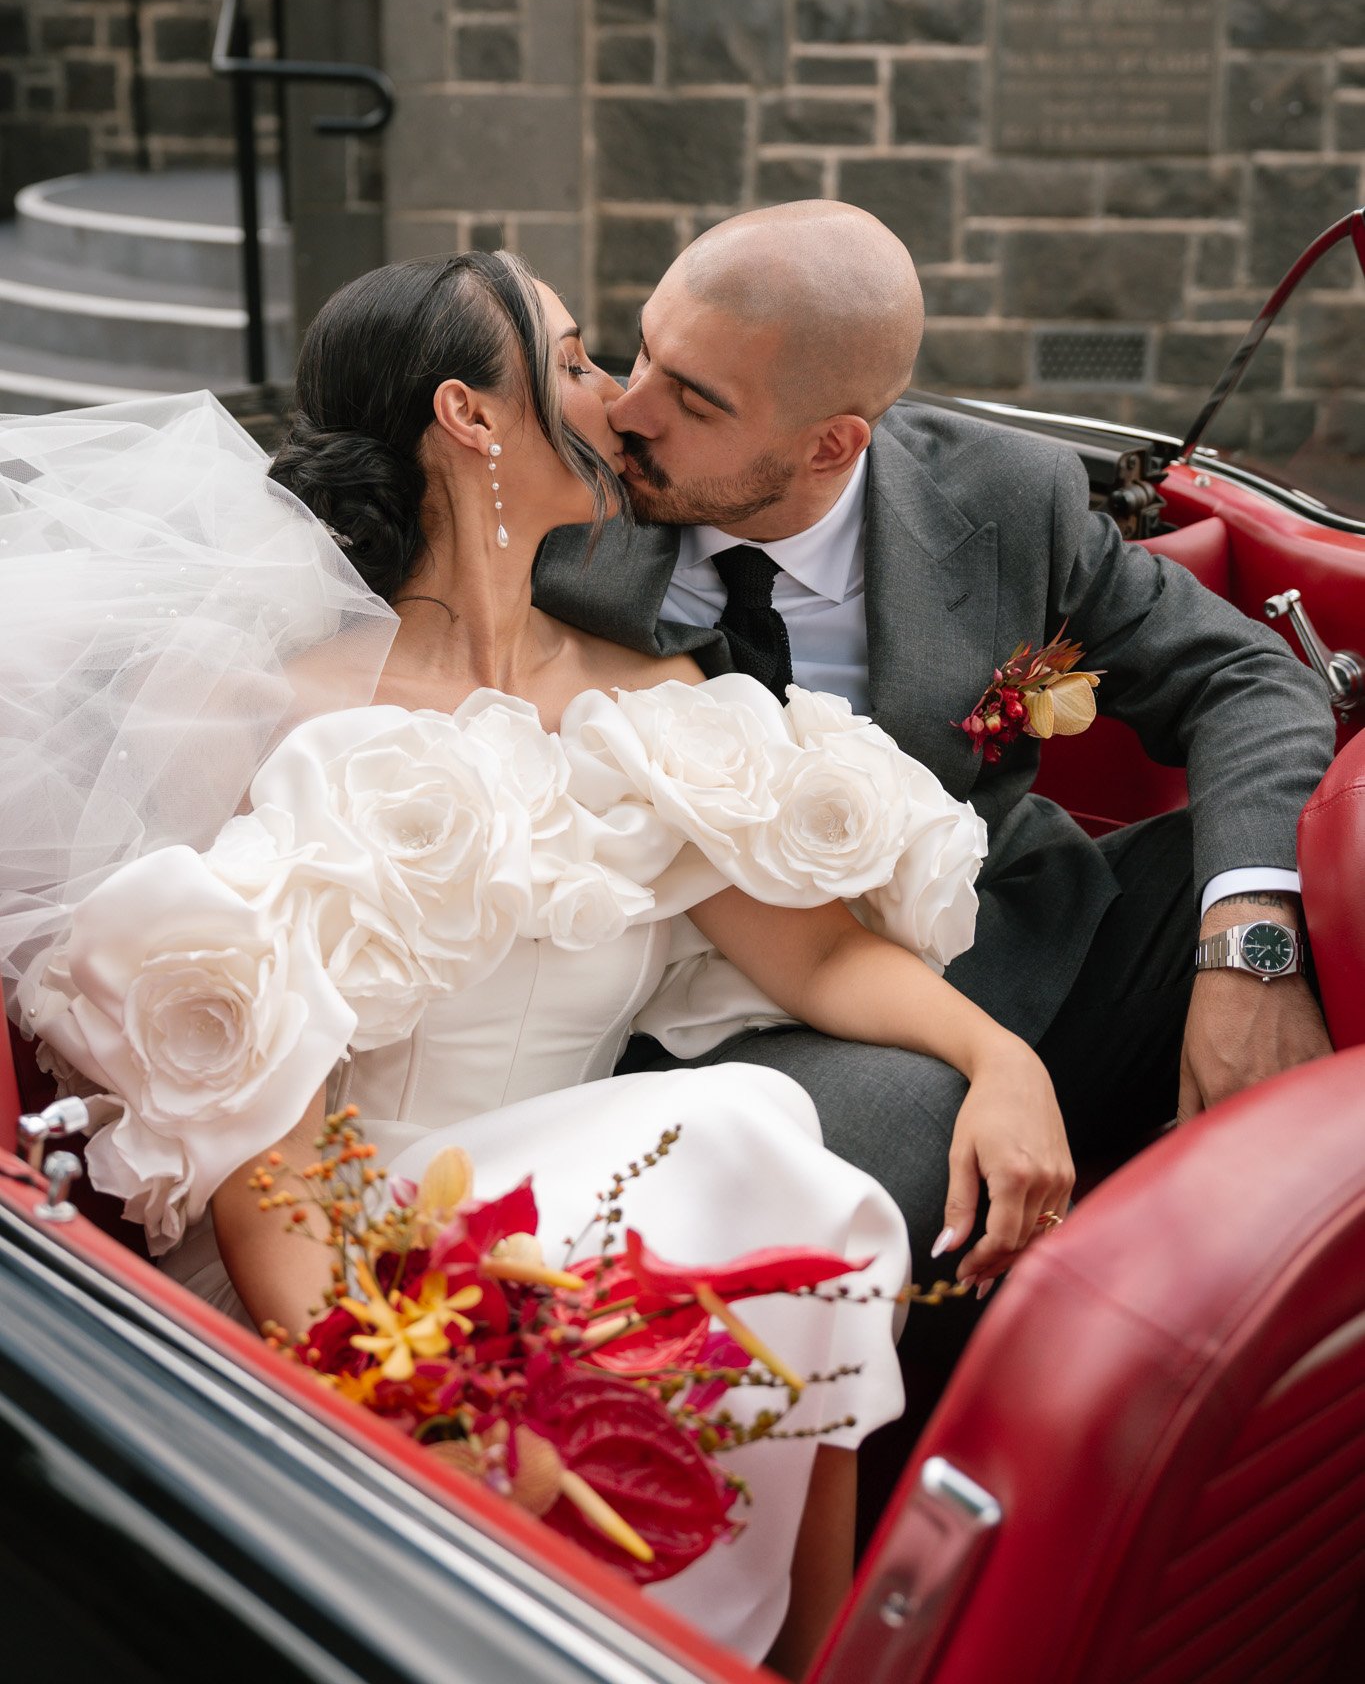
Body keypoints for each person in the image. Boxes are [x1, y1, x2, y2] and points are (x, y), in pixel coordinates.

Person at [0, 252, 1072, 1674]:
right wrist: (391, 1374)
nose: (620, 401)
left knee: (787, 1173)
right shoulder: (265, 702)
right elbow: (241, 1089)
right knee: (748, 1138)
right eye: (576, 361)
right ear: (472, 416)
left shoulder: (650, 702)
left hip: (576, 1214)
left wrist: (1002, 1059)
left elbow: (810, 957)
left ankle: (796, 1655)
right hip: (335, 1260)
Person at [535, 200, 1337, 1306]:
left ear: (833, 442)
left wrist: (1252, 946)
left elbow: (1248, 677)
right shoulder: (560, 518)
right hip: (734, 1024)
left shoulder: (1009, 497)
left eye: (696, 397)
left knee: (1343, 879)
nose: (631, 410)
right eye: (644, 351)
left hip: (1022, 946)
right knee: (897, 1136)